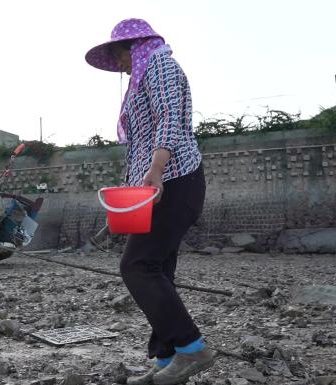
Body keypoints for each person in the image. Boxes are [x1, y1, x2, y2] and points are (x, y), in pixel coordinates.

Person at [85, 19, 213, 385]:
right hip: (156, 187)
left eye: (119, 56)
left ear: (134, 47)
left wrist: (157, 169)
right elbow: (139, 152)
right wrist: (122, 209)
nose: (121, 66)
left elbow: (171, 119)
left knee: (137, 266)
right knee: (158, 270)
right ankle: (167, 361)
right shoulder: (143, 76)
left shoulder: (161, 66)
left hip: (176, 179)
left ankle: (193, 349)